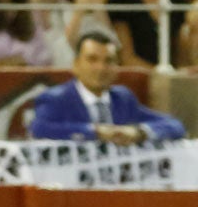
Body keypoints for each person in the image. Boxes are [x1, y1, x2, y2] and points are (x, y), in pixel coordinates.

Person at [29, 30, 185, 143]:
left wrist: (139, 132)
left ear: (117, 67)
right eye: (92, 60)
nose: (101, 68)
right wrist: (95, 132)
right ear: (76, 65)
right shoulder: (56, 98)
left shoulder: (122, 98)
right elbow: (39, 129)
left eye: (109, 61)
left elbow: (175, 125)